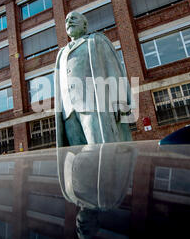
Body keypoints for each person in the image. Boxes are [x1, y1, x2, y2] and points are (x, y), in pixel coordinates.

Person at [54, 11, 133, 147]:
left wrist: (119, 101)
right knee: (77, 159)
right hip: (68, 114)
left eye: (73, 18)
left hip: (93, 106)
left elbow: (112, 68)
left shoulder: (96, 40)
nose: (69, 21)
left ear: (85, 25)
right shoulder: (61, 53)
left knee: (101, 150)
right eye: (66, 20)